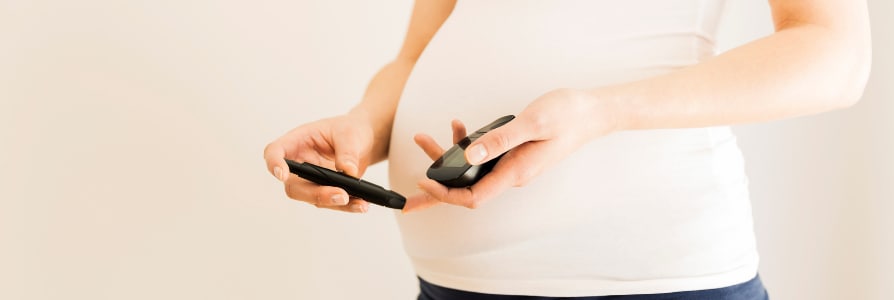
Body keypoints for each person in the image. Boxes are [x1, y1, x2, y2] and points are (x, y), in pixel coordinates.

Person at [263, 0, 871, 299]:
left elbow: (833, 56)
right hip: (453, 285)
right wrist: (363, 126)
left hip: (653, 282)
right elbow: (417, 52)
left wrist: (603, 112)